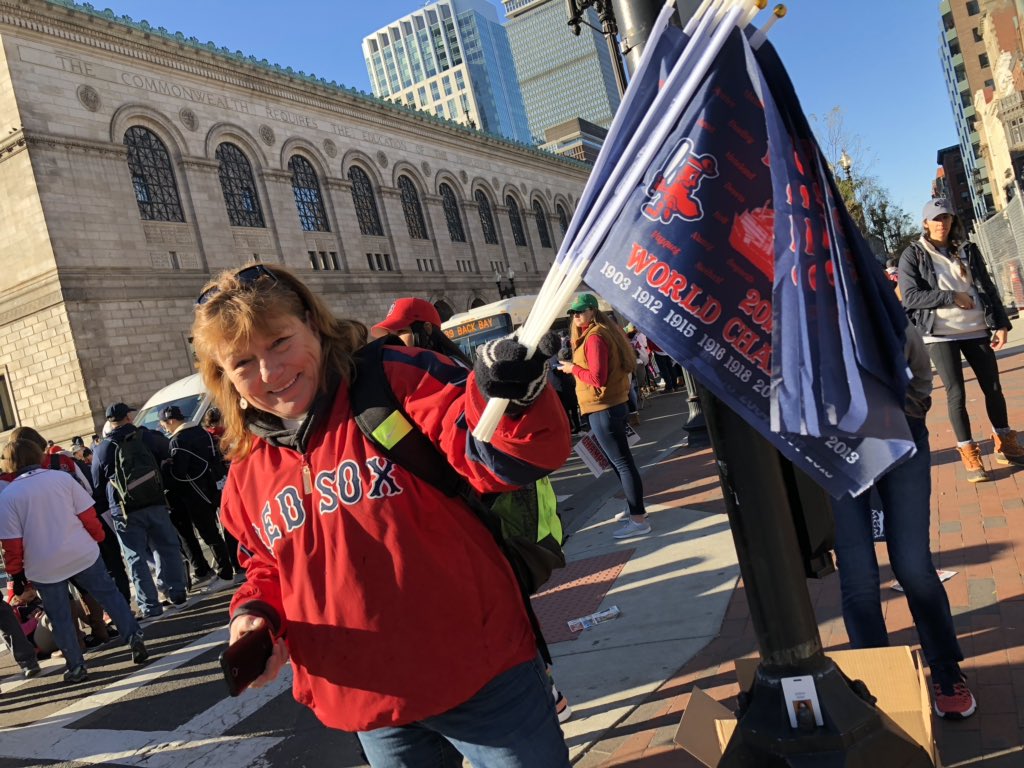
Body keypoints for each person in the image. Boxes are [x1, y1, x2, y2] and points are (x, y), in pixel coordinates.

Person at [192, 265, 572, 766]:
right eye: (242, 362)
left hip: (481, 678)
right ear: (223, 378)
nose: (270, 373)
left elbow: (497, 455)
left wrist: (513, 397)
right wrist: (254, 616)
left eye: (280, 342)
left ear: (311, 322)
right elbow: (267, 566)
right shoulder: (246, 468)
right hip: (371, 706)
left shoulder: (391, 378)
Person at [831, 324, 975, 719]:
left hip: (899, 436)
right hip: (832, 448)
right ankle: (879, 683)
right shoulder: (796, 311)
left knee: (913, 566)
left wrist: (909, 409)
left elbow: (919, 362)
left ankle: (946, 670)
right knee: (857, 576)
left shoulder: (872, 304)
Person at [0, 438, 148, 683]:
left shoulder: (9, 495)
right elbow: (88, 516)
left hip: (43, 563)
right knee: (109, 595)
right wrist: (97, 539)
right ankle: (134, 637)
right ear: (38, 455)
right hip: (80, 551)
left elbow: (12, 545)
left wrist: (16, 576)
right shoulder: (61, 479)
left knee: (60, 616)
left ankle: (76, 665)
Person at [899, 197, 1023, 482]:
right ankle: (969, 451)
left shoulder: (967, 249)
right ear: (926, 223)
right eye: (936, 218)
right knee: (956, 393)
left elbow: (986, 286)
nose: (942, 223)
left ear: (952, 220)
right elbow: (911, 297)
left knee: (993, 387)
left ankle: (1005, 441)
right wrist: (951, 296)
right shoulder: (914, 254)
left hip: (977, 329)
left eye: (946, 218)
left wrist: (1001, 323)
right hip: (939, 334)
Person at [557, 294, 650, 538]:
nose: (575, 316)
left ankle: (638, 519)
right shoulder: (602, 332)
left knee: (622, 463)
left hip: (603, 407)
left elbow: (597, 378)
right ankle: (636, 510)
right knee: (622, 462)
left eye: (580, 311)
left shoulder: (595, 337)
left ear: (592, 311)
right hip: (610, 406)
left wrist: (572, 369)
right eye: (573, 313)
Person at [92, 402, 188, 618]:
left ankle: (150, 606)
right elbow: (167, 453)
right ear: (128, 417)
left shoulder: (103, 448)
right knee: (166, 546)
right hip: (154, 501)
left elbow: (97, 486)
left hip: (124, 510)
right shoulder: (147, 436)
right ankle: (177, 592)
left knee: (135, 557)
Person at [159, 404, 234, 594]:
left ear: (171, 421)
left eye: (164, 424)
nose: (164, 428)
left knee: (209, 533)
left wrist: (167, 466)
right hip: (214, 486)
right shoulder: (203, 433)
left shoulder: (178, 440)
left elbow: (179, 472)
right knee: (225, 527)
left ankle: (225, 574)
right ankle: (233, 565)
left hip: (195, 492)